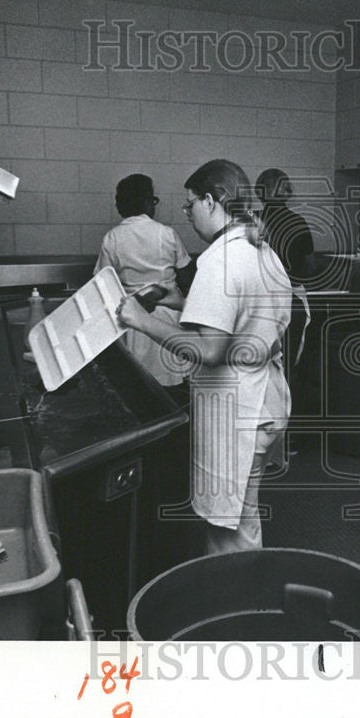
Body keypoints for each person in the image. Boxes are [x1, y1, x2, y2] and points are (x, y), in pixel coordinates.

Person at [117, 159, 291, 554]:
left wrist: (141, 321)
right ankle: (247, 598)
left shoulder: (219, 258)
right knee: (243, 519)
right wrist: (184, 303)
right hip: (264, 401)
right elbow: (244, 318)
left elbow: (211, 350)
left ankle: (236, 608)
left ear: (211, 201)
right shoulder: (260, 248)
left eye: (190, 203)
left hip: (237, 410)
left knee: (226, 531)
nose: (187, 212)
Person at [95, 173, 193, 388]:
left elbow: (101, 284)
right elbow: (187, 277)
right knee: (173, 381)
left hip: (133, 318)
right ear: (148, 202)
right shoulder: (167, 233)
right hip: (168, 319)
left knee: (142, 384)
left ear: (120, 206)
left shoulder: (112, 237)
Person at [256, 169, 314, 452]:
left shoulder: (250, 223)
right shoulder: (297, 223)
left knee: (259, 370)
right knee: (289, 368)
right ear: (287, 191)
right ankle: (287, 439)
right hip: (289, 303)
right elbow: (307, 268)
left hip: (256, 304)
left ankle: (259, 437)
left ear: (259, 193)